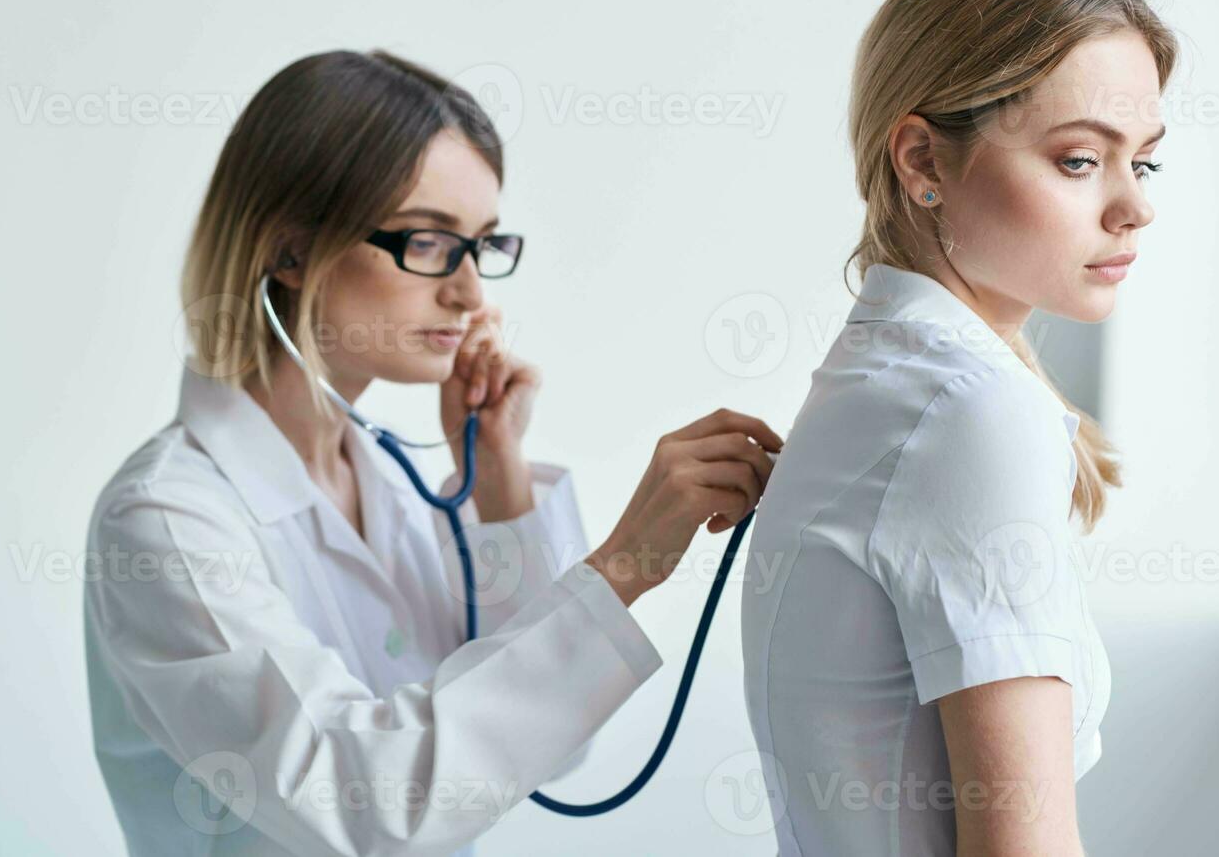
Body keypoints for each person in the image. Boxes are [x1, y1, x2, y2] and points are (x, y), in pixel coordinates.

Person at [84, 48, 783, 856]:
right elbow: (368, 802)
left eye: (480, 246)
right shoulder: (167, 521)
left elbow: (534, 750)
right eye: (426, 242)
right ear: (289, 252)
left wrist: (499, 483)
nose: (469, 293)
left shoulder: (388, 481)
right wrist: (624, 563)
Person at [740, 0, 1175, 855]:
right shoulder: (967, 413)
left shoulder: (888, 385)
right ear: (923, 162)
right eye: (1077, 159)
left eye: (1142, 159)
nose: (1134, 205)